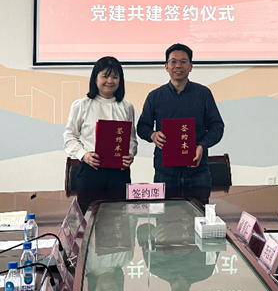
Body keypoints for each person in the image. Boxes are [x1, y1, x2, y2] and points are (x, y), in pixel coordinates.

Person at [137, 44, 225, 189]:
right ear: (166, 66)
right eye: (173, 62)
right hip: (165, 172)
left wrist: (202, 145)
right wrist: (152, 135)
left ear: (191, 66)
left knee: (200, 205)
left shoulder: (203, 94)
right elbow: (142, 126)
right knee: (165, 205)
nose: (178, 66)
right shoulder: (155, 96)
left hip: (198, 171)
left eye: (183, 62)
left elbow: (217, 127)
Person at [64, 56, 137, 191]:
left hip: (120, 172)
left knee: (119, 205)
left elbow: (131, 138)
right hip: (90, 170)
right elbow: (69, 136)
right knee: (89, 205)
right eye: (105, 76)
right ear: (95, 78)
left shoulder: (127, 107)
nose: (110, 81)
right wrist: (84, 155)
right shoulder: (81, 105)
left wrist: (130, 154)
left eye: (115, 77)